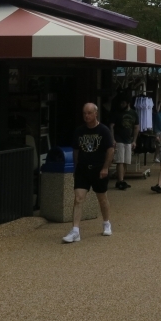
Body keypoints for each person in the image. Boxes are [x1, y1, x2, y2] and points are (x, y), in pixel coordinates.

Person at [63, 103, 115, 242]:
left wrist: (105, 167)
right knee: (78, 198)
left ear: (95, 114)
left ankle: (106, 222)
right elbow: (76, 150)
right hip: (83, 168)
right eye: (84, 113)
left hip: (98, 168)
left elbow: (110, 150)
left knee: (102, 197)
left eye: (89, 113)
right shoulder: (79, 131)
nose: (86, 116)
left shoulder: (103, 130)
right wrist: (75, 167)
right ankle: (75, 230)